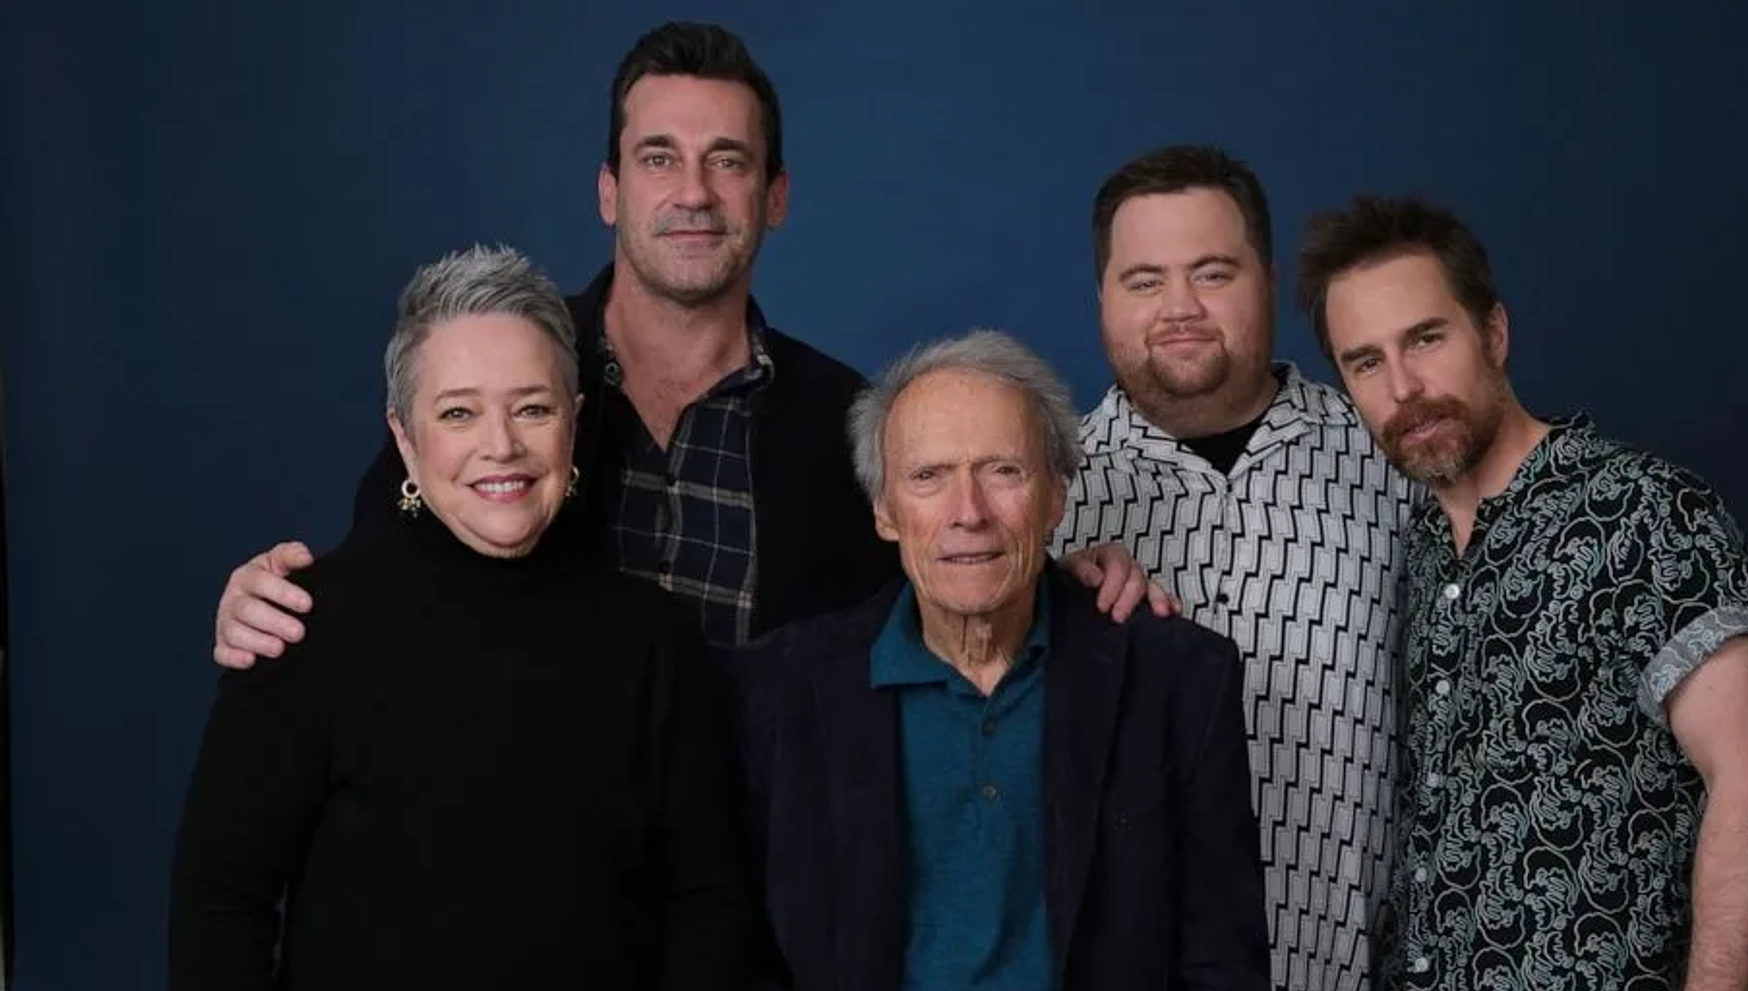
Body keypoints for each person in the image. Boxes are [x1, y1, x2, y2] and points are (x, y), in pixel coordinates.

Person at [208, 21, 1160, 669]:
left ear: (775, 198)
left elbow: (946, 601)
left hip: (758, 912)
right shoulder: (499, 392)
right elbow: (380, 584)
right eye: (659, 158)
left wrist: (1063, 583)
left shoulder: (848, 420)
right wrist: (271, 607)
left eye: (728, 162)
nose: (693, 193)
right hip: (523, 886)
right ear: (610, 191)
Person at [167, 244, 753, 991]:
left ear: (575, 419)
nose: (501, 446)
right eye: (458, 414)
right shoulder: (305, 624)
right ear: (403, 439)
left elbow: (711, 906)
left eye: (533, 409)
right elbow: (220, 903)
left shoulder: (653, 641)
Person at [1295, 194, 1748, 991]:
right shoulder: (1407, 550)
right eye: (1365, 362)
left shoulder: (1643, 512)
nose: (1403, 388)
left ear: (1494, 332)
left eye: (1426, 339)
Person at [716, 330, 1274, 991]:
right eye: (929, 477)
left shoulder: (1176, 679)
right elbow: (737, 959)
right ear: (884, 510)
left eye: (1003, 471)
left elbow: (1224, 976)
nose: (967, 511)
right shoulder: (781, 689)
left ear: (1055, 495)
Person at [1054, 145, 1409, 991]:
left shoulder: (1389, 461)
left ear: (1271, 281)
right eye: (1144, 279)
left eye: (1213, 273)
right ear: (1101, 298)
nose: (1180, 308)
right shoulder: (1041, 506)